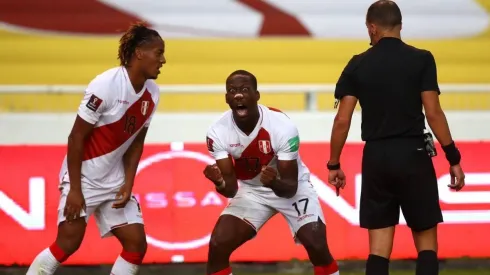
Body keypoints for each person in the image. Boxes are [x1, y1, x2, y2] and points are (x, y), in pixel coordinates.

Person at [325, 1, 466, 275]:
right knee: (426, 245)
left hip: (377, 157)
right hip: (414, 154)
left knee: (378, 249)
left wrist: (333, 164)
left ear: (373, 27)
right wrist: (453, 157)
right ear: (400, 25)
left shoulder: (357, 64)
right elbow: (434, 112)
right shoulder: (422, 59)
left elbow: (342, 119)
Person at [26, 22, 165, 275]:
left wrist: (128, 183)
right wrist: (75, 191)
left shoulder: (153, 94)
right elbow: (76, 137)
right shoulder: (105, 85)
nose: (163, 60)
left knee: (136, 244)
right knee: (67, 244)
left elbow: (136, 142)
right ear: (139, 53)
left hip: (114, 182)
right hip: (85, 180)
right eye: (159, 53)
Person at [202, 70, 340, 275]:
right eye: (232, 91)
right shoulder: (217, 132)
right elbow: (231, 191)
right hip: (253, 191)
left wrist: (274, 182)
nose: (238, 95)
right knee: (218, 245)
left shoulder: (282, 126)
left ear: (257, 95)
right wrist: (219, 182)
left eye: (244, 90)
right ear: (227, 98)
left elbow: (290, 187)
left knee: (317, 245)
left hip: (291, 187)